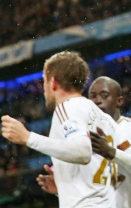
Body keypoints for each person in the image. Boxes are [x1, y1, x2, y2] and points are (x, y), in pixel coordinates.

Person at [1, 51, 117, 208]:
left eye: (44, 81)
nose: (44, 89)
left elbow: (82, 152)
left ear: (53, 82)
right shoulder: (102, 117)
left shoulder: (67, 107)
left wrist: (28, 137)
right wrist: (64, 188)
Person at [36, 76, 131, 208]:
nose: (97, 101)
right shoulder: (83, 138)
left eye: (104, 95)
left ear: (119, 101)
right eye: (93, 96)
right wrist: (62, 189)